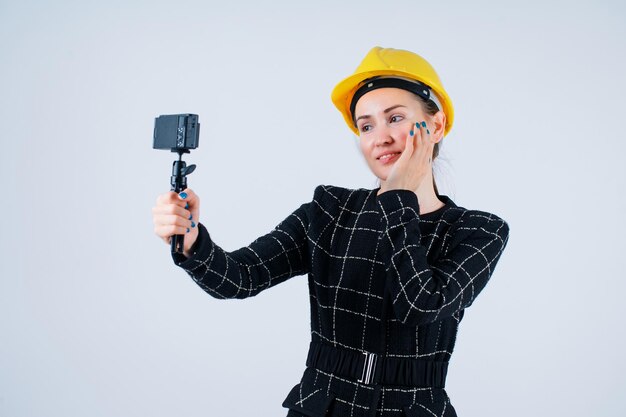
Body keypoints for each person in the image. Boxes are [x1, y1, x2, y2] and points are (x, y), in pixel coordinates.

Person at [151, 46, 510, 417]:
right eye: (366, 125)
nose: (379, 137)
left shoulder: (479, 231)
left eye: (395, 118)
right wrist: (193, 243)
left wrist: (399, 197)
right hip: (322, 407)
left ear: (435, 126)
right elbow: (240, 278)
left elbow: (419, 303)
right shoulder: (329, 212)